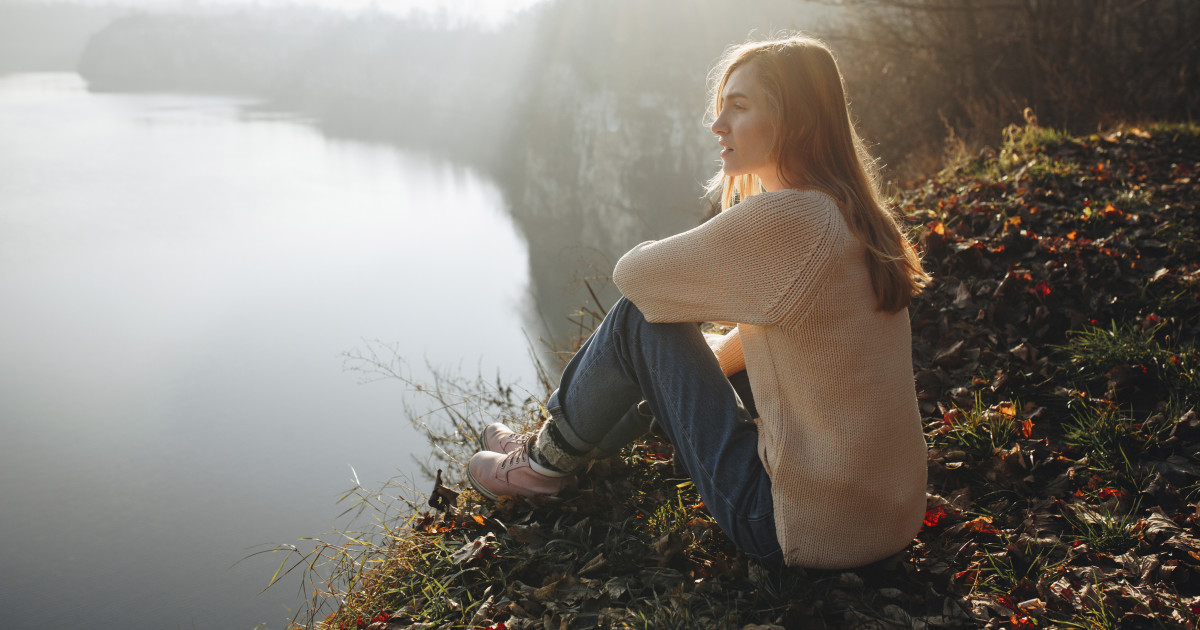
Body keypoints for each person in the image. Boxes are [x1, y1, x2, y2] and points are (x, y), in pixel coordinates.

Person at [466, 34, 930, 570]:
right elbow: (777, 341)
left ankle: (543, 465)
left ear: (795, 120)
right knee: (663, 345)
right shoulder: (851, 213)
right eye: (721, 108)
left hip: (799, 531)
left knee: (639, 319)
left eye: (739, 107)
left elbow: (635, 276)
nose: (718, 126)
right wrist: (678, 370)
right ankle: (565, 450)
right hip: (885, 517)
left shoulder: (791, 218)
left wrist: (669, 354)